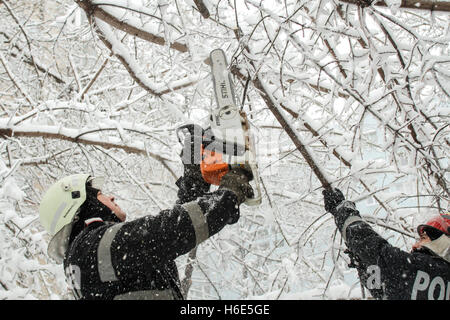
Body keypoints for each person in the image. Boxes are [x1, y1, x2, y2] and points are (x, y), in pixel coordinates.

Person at [39, 142, 254, 300]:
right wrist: (228, 196)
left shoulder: (86, 258)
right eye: (100, 195)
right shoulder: (91, 246)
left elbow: (159, 244)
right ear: (79, 206)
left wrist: (194, 182)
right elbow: (167, 233)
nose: (111, 197)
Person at [322, 188, 450, 300]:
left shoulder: (422, 268)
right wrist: (363, 264)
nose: (415, 245)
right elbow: (384, 290)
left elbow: (373, 248)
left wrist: (342, 209)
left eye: (424, 238)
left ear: (443, 241)